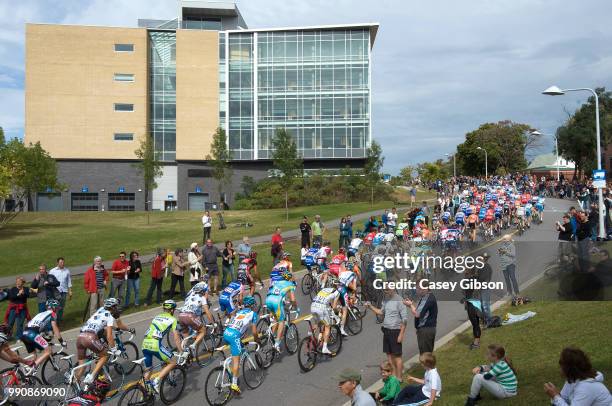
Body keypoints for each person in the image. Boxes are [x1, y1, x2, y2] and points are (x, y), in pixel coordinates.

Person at [76, 298, 133, 385]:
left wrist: (115, 328)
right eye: (116, 306)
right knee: (105, 355)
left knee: (82, 367)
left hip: (80, 336)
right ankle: (91, 377)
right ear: (113, 307)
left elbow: (101, 324)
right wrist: (114, 350)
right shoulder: (109, 316)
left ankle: (74, 383)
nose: (117, 308)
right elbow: (110, 336)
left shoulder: (101, 310)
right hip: (90, 337)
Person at [544, 347, 611, 406]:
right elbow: (564, 399)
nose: (560, 368)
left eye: (561, 365)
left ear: (568, 369)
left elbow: (559, 400)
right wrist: (556, 395)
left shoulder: (586, 388)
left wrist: (555, 396)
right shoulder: (573, 380)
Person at [367, 288, 409, 379]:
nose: (385, 291)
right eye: (384, 290)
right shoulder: (385, 300)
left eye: (387, 289)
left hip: (395, 331)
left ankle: (399, 378)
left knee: (397, 357)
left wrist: (401, 334)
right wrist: (370, 306)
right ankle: (393, 377)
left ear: (393, 289)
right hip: (386, 331)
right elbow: (381, 312)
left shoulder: (399, 300)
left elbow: (405, 319)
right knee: (389, 356)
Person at [142, 300, 182, 394]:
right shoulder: (173, 320)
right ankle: (156, 382)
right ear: (172, 310)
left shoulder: (157, 317)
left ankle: (143, 395)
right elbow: (176, 338)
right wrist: (181, 351)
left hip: (145, 344)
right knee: (173, 362)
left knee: (149, 371)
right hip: (155, 345)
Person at [222, 296, 260, 394]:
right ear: (252, 305)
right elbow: (255, 332)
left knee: (236, 351)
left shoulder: (239, 312)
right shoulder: (253, 314)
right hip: (234, 336)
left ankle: (229, 370)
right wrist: (257, 341)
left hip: (226, 333)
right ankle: (234, 383)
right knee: (237, 362)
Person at [20, 299, 66, 370]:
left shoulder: (40, 314)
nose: (57, 310)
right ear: (53, 307)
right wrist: (61, 341)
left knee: (34, 356)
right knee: (49, 351)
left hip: (25, 333)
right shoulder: (53, 314)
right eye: (57, 308)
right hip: (32, 334)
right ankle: (32, 368)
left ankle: (28, 375)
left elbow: (30, 325)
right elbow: (54, 327)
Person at [265, 266, 298, 352]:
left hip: (268, 299)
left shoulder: (277, 282)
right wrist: (296, 308)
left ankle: (271, 336)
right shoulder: (290, 284)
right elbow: (293, 299)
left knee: (276, 319)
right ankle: (277, 344)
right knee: (282, 321)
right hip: (276, 301)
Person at [177, 282, 214, 351]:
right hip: (189, 316)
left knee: (186, 337)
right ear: (203, 291)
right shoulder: (202, 298)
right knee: (203, 330)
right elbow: (207, 312)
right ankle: (194, 345)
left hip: (181, 315)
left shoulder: (190, 296)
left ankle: (184, 353)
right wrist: (212, 323)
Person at [404, 285, 437, 354]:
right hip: (426, 329)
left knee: (425, 355)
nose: (416, 290)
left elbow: (417, 314)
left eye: (418, 288)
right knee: (426, 355)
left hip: (426, 330)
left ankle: (428, 364)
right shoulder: (427, 297)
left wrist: (410, 305)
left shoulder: (427, 299)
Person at [310, 283, 341, 355]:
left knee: (317, 323)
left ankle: (310, 338)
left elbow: (326, 301)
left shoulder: (324, 290)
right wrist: (338, 311)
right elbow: (334, 307)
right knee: (327, 326)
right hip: (321, 308)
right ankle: (324, 348)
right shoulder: (337, 292)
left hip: (313, 306)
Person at [49, 257, 72, 323]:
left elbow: (69, 281)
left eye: (63, 262)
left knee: (61, 306)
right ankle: (53, 321)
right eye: (61, 262)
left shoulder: (67, 270)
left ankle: (59, 320)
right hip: (55, 292)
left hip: (64, 291)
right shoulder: (53, 271)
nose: (62, 263)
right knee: (55, 306)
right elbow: (49, 281)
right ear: (57, 263)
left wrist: (70, 291)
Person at [477, 253, 493, 325]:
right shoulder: (481, 266)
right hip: (481, 287)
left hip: (484, 287)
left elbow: (483, 278)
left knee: (485, 305)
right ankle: (485, 321)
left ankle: (489, 321)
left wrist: (476, 277)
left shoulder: (486, 266)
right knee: (482, 305)